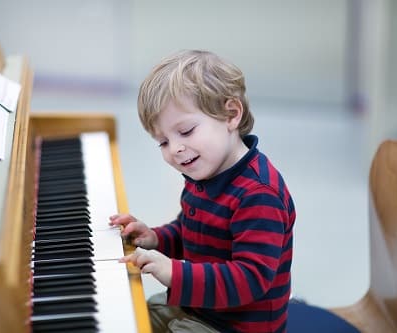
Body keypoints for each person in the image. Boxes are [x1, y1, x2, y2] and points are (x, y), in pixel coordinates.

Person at [109, 49, 296, 333]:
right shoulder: (206, 174)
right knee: (135, 318)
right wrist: (156, 238)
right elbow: (192, 231)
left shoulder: (258, 194)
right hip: (203, 308)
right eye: (163, 142)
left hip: (239, 325)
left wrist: (173, 271)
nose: (175, 149)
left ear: (231, 115)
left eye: (185, 131)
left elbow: (251, 279)